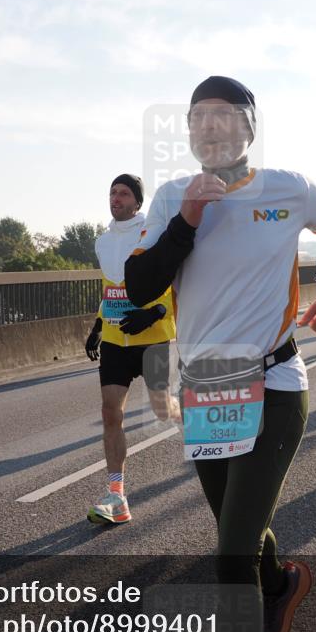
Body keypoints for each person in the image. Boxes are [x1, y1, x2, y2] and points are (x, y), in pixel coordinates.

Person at [124, 76, 316, 632]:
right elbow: (141, 286)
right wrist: (187, 222)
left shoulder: (289, 188)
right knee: (237, 528)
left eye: (223, 116)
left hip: (275, 382)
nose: (209, 127)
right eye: (197, 118)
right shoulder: (173, 196)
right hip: (207, 387)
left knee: (229, 550)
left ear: (249, 128)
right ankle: (281, 584)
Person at [84, 174, 178, 524]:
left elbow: (172, 281)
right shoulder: (102, 242)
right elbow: (110, 287)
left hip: (152, 336)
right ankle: (117, 496)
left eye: (124, 193)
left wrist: (154, 311)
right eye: (112, 192)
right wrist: (97, 326)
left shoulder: (153, 233)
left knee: (163, 410)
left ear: (138, 202)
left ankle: (206, 435)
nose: (116, 198)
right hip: (115, 340)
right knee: (111, 412)